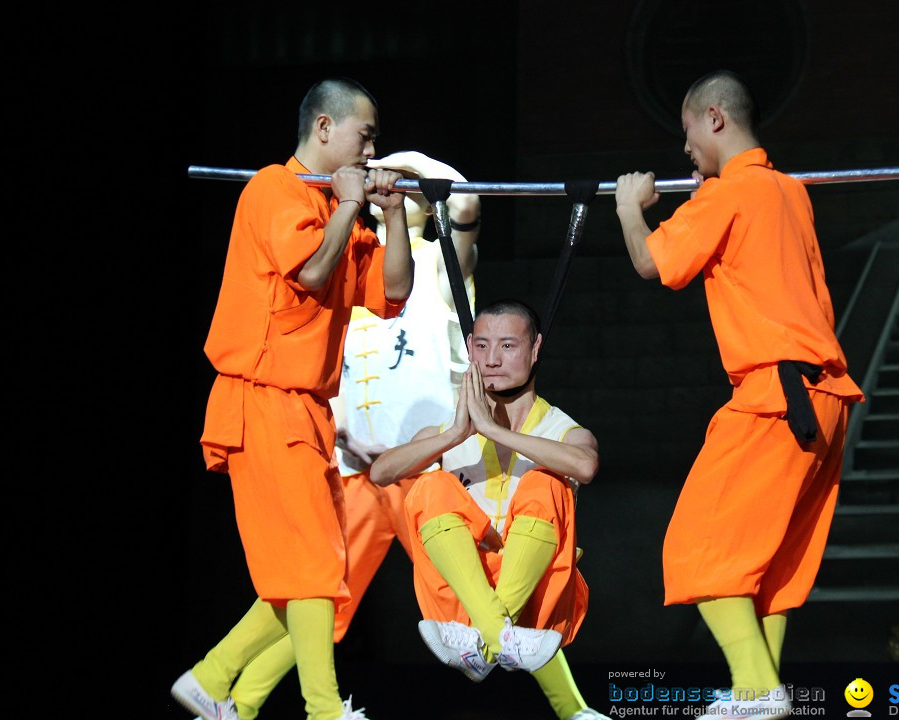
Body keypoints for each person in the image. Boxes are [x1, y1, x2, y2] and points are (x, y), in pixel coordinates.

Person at [190, 151, 480, 720]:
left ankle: (537, 680)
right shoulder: (347, 249)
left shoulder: (436, 262)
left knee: (460, 608)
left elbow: (465, 200)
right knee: (321, 593)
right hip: (356, 463)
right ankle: (237, 700)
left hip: (418, 467)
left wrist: (398, 165)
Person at [613, 70, 863, 719]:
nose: (686, 146)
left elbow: (653, 264)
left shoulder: (728, 193)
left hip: (777, 395)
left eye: (689, 129)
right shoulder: (788, 190)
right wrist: (704, 198)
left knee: (697, 546)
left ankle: (760, 687)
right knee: (769, 559)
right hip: (827, 397)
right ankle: (759, 693)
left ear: (715, 118)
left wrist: (627, 207)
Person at [171, 77, 414, 720]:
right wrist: (345, 206)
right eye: (365, 135)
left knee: (310, 567)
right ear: (326, 127)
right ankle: (324, 708)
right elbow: (309, 271)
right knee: (311, 565)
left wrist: (389, 214)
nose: (371, 148)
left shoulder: (341, 207)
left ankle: (213, 676)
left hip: (307, 408)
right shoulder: (273, 189)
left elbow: (390, 297)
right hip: (263, 397)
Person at [370, 300, 610, 720]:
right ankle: (499, 635)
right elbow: (381, 472)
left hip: (539, 601)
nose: (492, 359)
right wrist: (458, 434)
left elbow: (586, 466)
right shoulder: (448, 429)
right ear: (468, 347)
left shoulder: (563, 429)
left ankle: (490, 637)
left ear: (535, 350)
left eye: (507, 346)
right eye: (481, 346)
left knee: (547, 482)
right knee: (430, 486)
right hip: (460, 604)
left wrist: (495, 431)